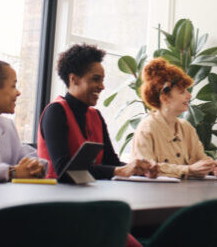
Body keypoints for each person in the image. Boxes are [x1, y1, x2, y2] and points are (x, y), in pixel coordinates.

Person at [37, 43, 157, 180]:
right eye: (96, 79)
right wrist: (120, 171)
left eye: (102, 80)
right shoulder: (56, 112)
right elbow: (64, 170)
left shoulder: (95, 116)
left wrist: (138, 170)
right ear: (73, 79)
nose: (102, 86)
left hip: (89, 193)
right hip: (56, 196)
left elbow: (111, 162)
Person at [131, 58, 217, 179]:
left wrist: (214, 168)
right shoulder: (146, 129)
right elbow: (144, 169)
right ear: (164, 98)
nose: (189, 95)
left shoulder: (187, 128)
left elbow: (202, 160)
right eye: (182, 92)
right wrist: (188, 170)